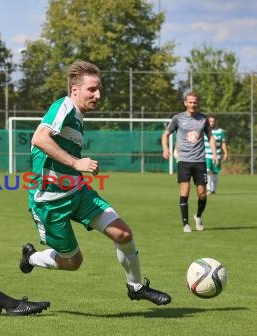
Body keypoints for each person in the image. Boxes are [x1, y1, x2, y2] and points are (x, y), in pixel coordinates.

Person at [20, 60, 171, 306]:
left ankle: (136, 287)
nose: (98, 95)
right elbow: (39, 138)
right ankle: (32, 258)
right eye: (92, 89)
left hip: (78, 192)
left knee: (123, 234)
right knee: (73, 262)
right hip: (50, 203)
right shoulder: (64, 106)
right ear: (74, 89)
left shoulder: (78, 116)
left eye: (99, 89)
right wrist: (75, 163)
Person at [162, 92, 217, 232]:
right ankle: (185, 224)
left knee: (202, 194)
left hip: (200, 161)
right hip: (184, 161)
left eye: (195, 102)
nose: (193, 105)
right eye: (190, 102)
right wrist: (165, 149)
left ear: (197, 103)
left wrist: (215, 154)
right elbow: (166, 134)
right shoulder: (178, 119)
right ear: (185, 103)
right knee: (185, 192)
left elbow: (210, 137)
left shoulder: (203, 119)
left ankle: (198, 216)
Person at [204, 116, 228, 194]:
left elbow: (223, 143)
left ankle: (213, 190)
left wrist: (225, 153)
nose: (212, 123)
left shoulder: (220, 131)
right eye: (210, 121)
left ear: (215, 122)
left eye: (213, 121)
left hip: (217, 155)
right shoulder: (204, 130)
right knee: (207, 171)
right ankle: (208, 188)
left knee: (215, 172)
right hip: (206, 155)